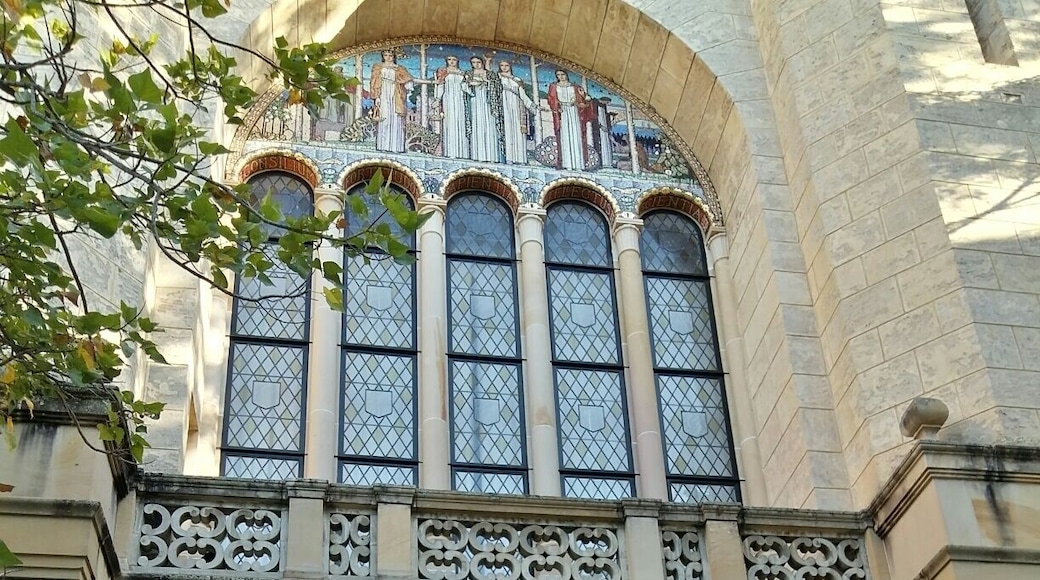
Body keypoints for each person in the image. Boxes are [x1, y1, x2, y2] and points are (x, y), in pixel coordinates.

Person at [546, 69, 593, 171]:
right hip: (563, 113)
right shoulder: (554, 86)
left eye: (562, 74)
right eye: (558, 75)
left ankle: (578, 164)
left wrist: (583, 95)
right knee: (564, 137)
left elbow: (587, 99)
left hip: (574, 112)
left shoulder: (575, 87)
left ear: (567, 74)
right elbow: (550, 99)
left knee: (576, 136)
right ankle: (566, 164)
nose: (561, 76)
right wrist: (556, 106)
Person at [369, 49, 414, 153]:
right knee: (383, 117)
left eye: (390, 55)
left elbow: (407, 80)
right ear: (383, 56)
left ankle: (395, 147)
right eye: (386, 55)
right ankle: (383, 145)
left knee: (396, 118)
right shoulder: (378, 67)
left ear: (394, 56)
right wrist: (377, 97)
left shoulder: (400, 69)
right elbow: (374, 83)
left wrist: (408, 85)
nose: (388, 57)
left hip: (396, 93)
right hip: (383, 93)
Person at [464, 56, 504, 163]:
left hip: (489, 103)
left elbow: (499, 87)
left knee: (490, 127)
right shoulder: (469, 73)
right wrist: (468, 85)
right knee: (476, 126)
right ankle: (477, 156)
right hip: (475, 102)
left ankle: (492, 157)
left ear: (482, 62)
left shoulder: (490, 74)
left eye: (478, 62)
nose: (476, 64)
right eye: (473, 62)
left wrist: (488, 82)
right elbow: (464, 86)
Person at [497, 61, 535, 164]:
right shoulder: (497, 78)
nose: (504, 67)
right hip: (503, 105)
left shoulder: (517, 80)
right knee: (506, 130)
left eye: (506, 65)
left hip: (516, 106)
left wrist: (533, 107)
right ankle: (508, 158)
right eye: (502, 65)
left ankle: (520, 158)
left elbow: (523, 96)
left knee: (518, 130)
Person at [433, 55, 468, 159]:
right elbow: (440, 85)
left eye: (454, 60)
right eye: (449, 60)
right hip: (448, 99)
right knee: (449, 123)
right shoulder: (443, 71)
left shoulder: (462, 73)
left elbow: (465, 87)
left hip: (460, 100)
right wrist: (437, 99)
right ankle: (450, 152)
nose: (452, 62)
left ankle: (462, 153)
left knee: (460, 123)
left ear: (457, 61)